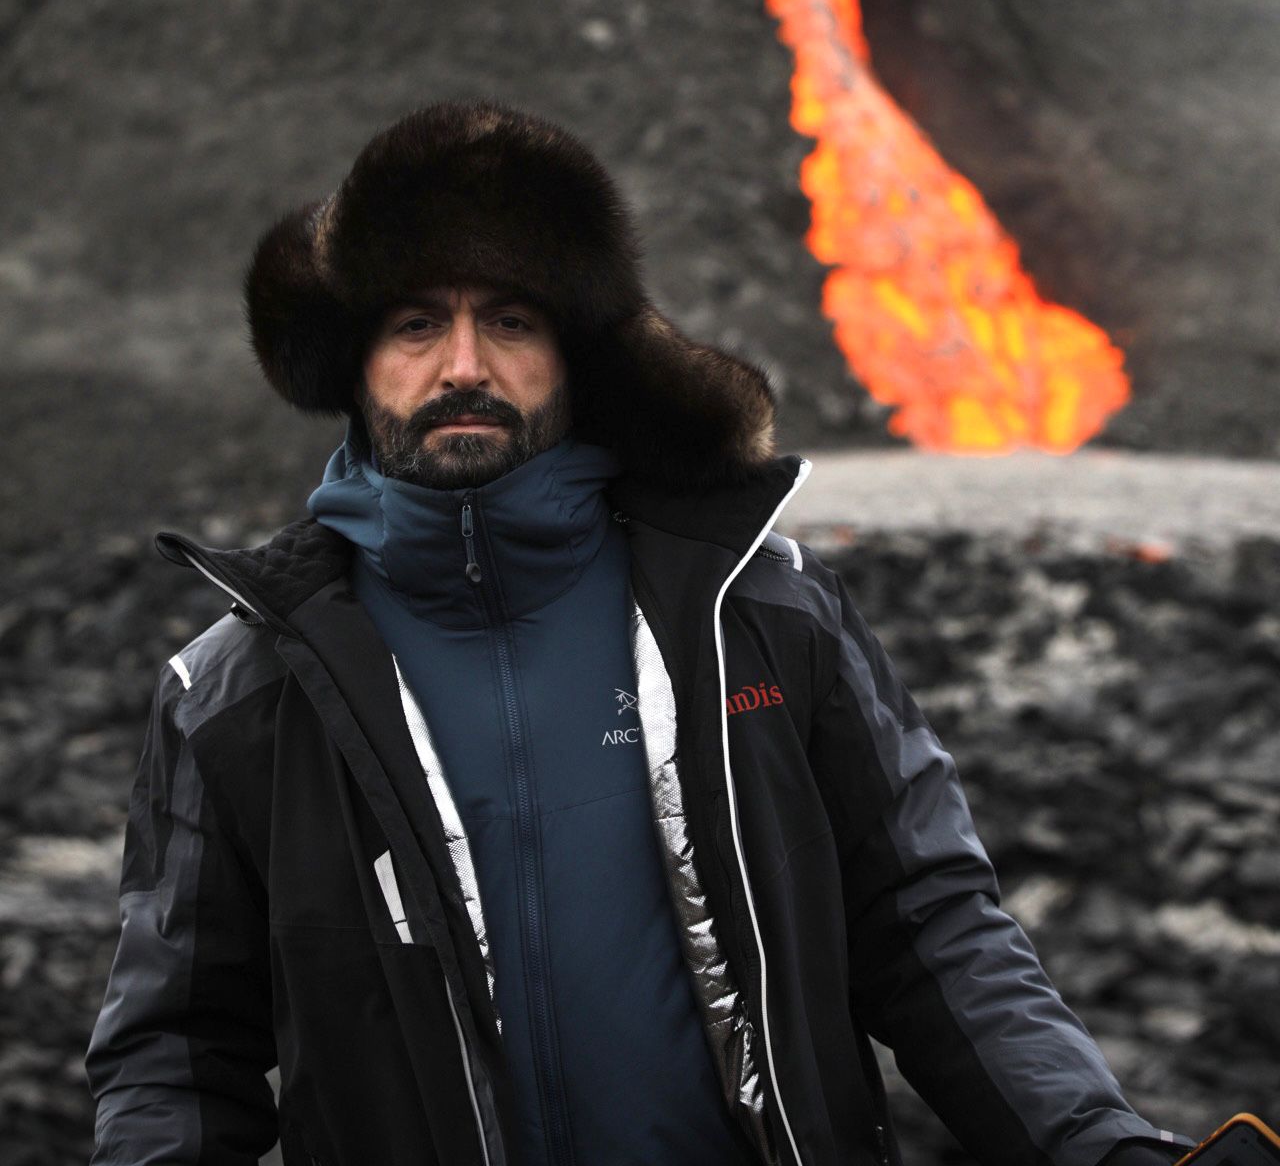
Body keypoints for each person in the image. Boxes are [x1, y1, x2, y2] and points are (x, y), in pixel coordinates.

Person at [87, 100, 1192, 1166]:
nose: (464, 365)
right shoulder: (243, 691)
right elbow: (176, 1054)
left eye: (511, 320)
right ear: (351, 359)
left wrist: (1094, 1144)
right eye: (415, 321)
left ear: (577, 355)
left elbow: (927, 927)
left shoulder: (754, 618)